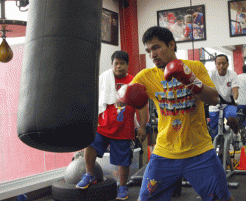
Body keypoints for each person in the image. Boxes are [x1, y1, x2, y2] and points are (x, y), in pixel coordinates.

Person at [127, 26, 236, 201]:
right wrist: (125, 95)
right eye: (148, 51)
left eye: (156, 47)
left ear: (171, 45)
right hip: (164, 152)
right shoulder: (146, 76)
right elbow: (123, 97)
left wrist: (190, 80)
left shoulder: (195, 67)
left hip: (200, 151)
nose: (152, 54)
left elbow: (215, 99)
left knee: (222, 198)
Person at [76, 51, 141, 201]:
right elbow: (94, 97)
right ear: (112, 64)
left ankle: (122, 187)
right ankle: (89, 175)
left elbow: (141, 105)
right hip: (103, 124)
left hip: (124, 128)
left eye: (122, 63)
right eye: (116, 63)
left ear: (127, 65)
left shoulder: (134, 81)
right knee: (90, 145)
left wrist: (142, 127)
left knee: (123, 160)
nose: (119, 66)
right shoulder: (104, 78)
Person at [209, 54, 240, 140]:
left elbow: (235, 90)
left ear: (228, 64)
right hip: (215, 104)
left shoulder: (232, 74)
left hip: (229, 103)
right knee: (214, 132)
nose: (221, 66)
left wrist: (234, 100)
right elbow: (206, 86)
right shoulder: (211, 74)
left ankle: (236, 134)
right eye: (218, 64)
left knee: (231, 117)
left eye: (224, 63)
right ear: (215, 65)